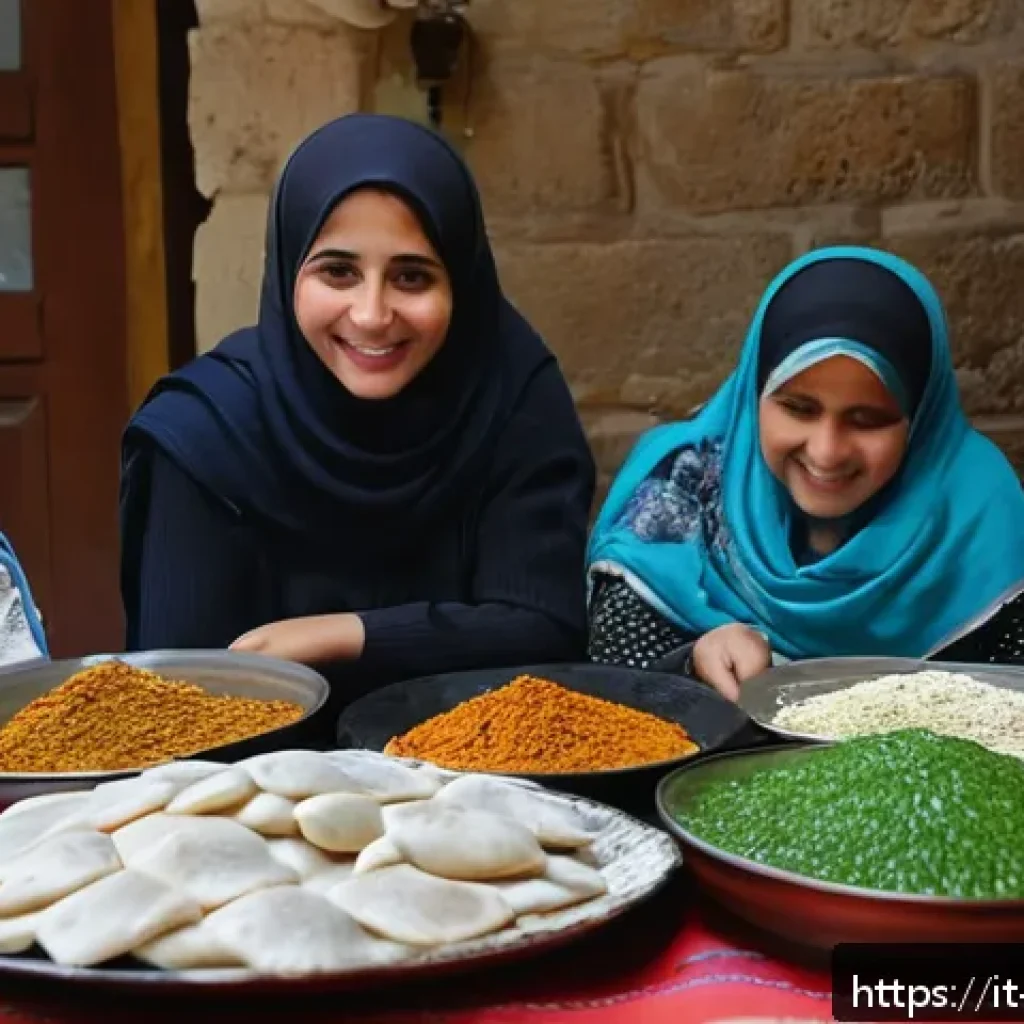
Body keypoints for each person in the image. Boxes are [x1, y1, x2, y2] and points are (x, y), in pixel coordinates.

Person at [120, 114, 595, 702]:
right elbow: (179, 700)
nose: (371, 314)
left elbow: (546, 632)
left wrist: (346, 635)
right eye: (338, 272)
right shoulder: (204, 434)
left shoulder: (511, 398)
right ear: (289, 269)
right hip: (251, 786)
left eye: (412, 277)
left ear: (461, 287)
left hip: (488, 782)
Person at [586, 245, 1024, 700]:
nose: (827, 452)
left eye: (868, 420)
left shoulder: (981, 513)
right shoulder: (680, 486)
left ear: (920, 418)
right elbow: (614, 681)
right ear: (754, 392)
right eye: (798, 409)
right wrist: (692, 662)